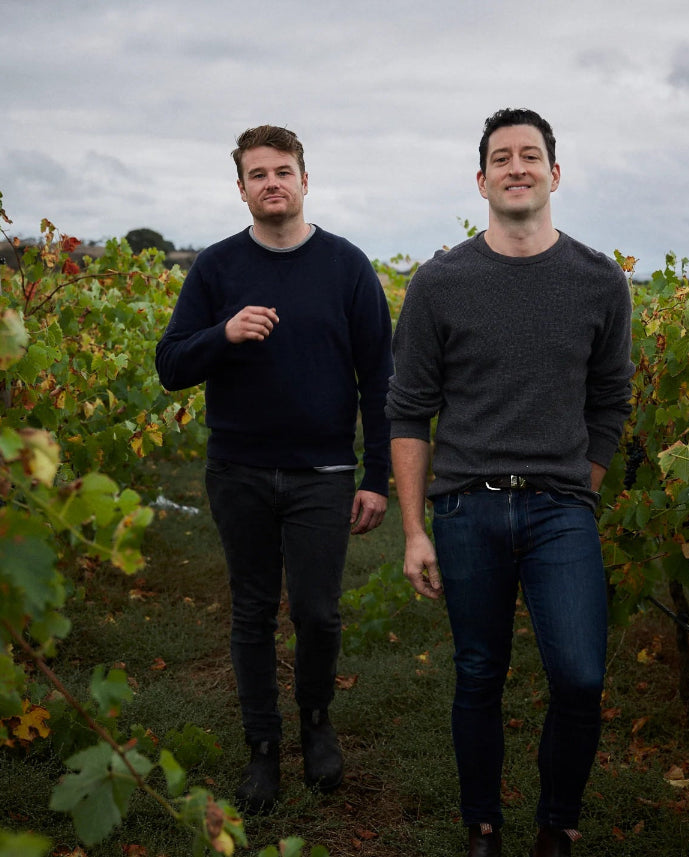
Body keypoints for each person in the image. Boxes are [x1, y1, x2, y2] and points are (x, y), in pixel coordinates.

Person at [386, 108, 634, 857]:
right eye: (502, 157)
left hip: (561, 511)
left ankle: (557, 822)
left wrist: (576, 488)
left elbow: (610, 401)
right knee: (478, 673)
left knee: (581, 677)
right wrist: (416, 528)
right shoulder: (440, 283)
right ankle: (483, 823)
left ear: (555, 175)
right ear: (482, 178)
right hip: (466, 508)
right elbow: (408, 411)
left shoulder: (599, 281)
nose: (517, 167)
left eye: (532, 156)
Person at [156, 124, 392, 815]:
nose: (272, 183)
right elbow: (171, 365)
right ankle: (263, 745)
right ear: (241, 189)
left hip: (323, 471)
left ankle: (315, 720)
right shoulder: (217, 269)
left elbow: (380, 376)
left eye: (282, 171)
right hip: (239, 470)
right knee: (253, 611)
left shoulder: (347, 266)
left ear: (305, 179)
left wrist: (376, 475)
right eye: (257, 174)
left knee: (318, 612)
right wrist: (221, 335)